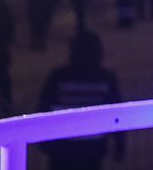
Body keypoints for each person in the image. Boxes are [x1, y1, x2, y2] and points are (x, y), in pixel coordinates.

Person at [38, 31, 124, 169]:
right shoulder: (106, 78)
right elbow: (116, 114)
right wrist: (120, 144)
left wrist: (44, 142)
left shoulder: (58, 76)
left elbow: (43, 109)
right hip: (93, 146)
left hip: (61, 146)